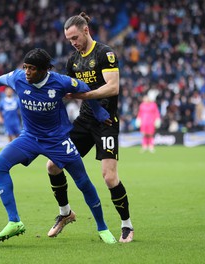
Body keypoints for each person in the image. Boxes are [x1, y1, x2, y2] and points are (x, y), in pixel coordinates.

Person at [0, 48, 117, 244]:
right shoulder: (18, 78)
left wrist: (98, 111)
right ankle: (14, 221)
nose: (27, 72)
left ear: (45, 70)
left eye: (32, 69)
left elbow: (84, 88)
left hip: (57, 141)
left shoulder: (61, 82)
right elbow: (2, 79)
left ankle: (102, 227)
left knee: (83, 182)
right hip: (29, 138)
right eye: (26, 67)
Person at [46, 12, 134, 243]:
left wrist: (85, 94)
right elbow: (68, 89)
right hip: (84, 121)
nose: (73, 42)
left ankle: (127, 225)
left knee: (109, 177)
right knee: (53, 165)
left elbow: (113, 87)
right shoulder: (72, 61)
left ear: (86, 30)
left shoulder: (105, 53)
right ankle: (65, 213)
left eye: (75, 37)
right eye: (69, 40)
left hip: (106, 122)